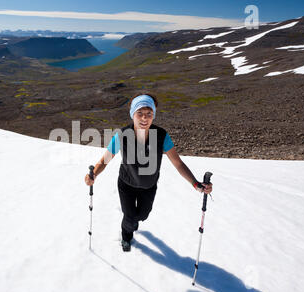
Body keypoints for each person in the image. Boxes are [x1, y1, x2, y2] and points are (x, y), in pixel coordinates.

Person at [84, 93, 213, 252]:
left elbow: (178, 164)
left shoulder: (161, 136)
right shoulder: (122, 135)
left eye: (149, 114)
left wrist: (195, 184)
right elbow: (104, 161)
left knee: (142, 216)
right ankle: (126, 236)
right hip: (127, 185)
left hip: (149, 186)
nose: (144, 118)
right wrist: (94, 175)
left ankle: (132, 220)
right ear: (133, 114)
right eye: (140, 113)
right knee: (130, 218)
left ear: (153, 116)